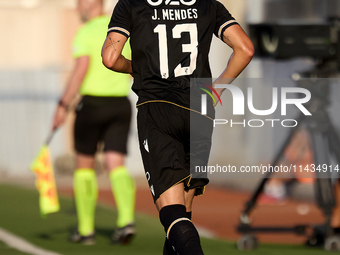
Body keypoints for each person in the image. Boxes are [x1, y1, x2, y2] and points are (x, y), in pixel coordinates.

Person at [102, 0, 254, 254]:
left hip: (158, 108)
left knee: (172, 213)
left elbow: (109, 57)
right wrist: (218, 87)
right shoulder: (208, 5)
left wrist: (135, 67)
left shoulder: (131, 4)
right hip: (200, 110)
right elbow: (246, 49)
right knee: (182, 216)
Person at [52, 0, 136, 245]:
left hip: (92, 106)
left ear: (92, 4)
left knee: (85, 165)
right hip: (121, 105)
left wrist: (63, 105)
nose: (77, 8)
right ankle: (126, 221)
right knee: (115, 163)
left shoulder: (86, 32)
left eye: (80, 3)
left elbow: (80, 71)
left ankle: (86, 230)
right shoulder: (124, 30)